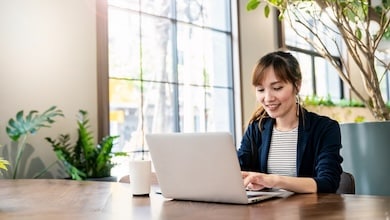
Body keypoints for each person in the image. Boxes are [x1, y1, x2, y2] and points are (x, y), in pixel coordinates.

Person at [237, 51, 343, 193]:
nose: (267, 98)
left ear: (297, 85)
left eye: (277, 88)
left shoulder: (324, 128)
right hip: (265, 212)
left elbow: (328, 182)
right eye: (260, 89)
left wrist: (274, 181)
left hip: (308, 213)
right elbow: (237, 168)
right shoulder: (257, 129)